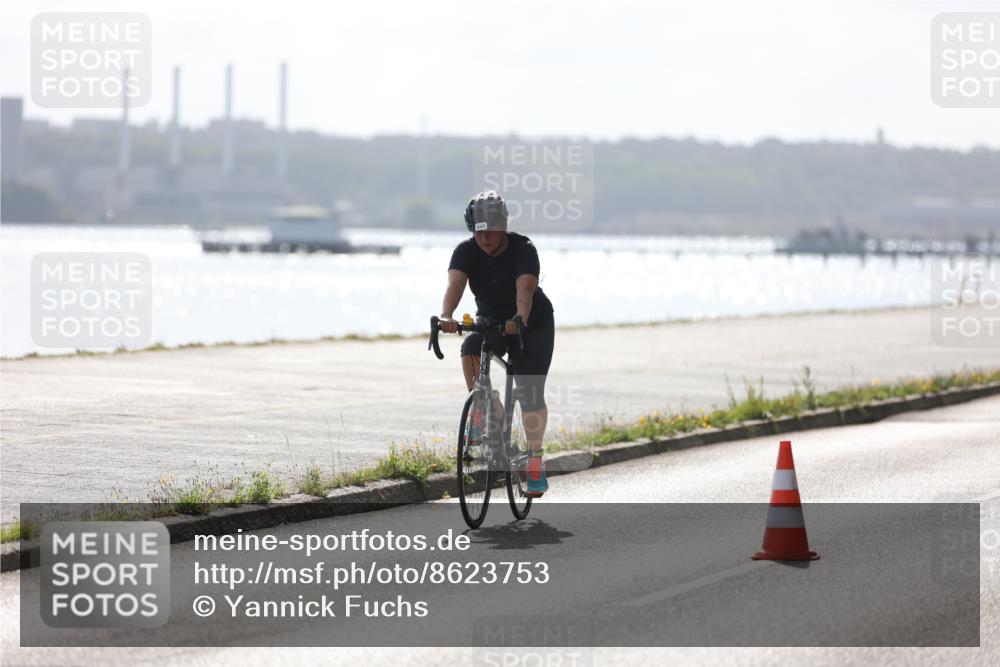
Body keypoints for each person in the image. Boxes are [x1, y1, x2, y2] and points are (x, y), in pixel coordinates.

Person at [438, 191, 555, 497]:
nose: (484, 238)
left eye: (490, 231)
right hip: (491, 321)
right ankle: (487, 412)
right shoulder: (466, 251)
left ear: (503, 226)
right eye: (477, 231)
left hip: (531, 323)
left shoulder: (524, 249)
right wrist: (447, 315)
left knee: (529, 392)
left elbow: (525, 289)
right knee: (470, 348)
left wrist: (520, 318)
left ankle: (535, 461)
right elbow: (455, 283)